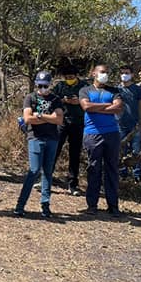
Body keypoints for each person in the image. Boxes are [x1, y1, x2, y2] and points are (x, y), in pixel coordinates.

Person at [13, 71, 64, 218]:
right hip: (35, 137)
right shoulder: (30, 97)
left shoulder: (55, 99)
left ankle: (45, 204)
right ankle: (20, 204)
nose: (43, 88)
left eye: (46, 85)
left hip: (52, 138)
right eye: (40, 85)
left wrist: (40, 116)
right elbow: (28, 118)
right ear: (36, 84)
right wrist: (50, 118)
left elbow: (59, 119)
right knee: (34, 170)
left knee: (48, 172)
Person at [79, 63, 124, 216]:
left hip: (112, 134)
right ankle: (92, 205)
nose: (105, 75)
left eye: (107, 72)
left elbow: (118, 107)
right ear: (94, 73)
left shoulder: (114, 91)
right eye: (102, 72)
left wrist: (96, 107)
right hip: (92, 134)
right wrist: (107, 106)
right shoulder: (85, 90)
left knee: (111, 169)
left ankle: (113, 206)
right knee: (93, 169)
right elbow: (86, 107)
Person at [53, 64, 88, 195]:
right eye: (67, 77)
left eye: (71, 77)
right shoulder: (60, 86)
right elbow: (52, 100)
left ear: (76, 76)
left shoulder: (84, 87)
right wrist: (64, 100)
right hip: (62, 122)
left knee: (74, 154)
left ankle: (73, 184)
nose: (69, 79)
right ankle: (45, 178)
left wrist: (79, 102)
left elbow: (89, 101)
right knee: (54, 150)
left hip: (78, 123)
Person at [117, 64, 141, 182]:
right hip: (119, 124)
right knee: (121, 150)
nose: (124, 75)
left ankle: (137, 175)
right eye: (122, 73)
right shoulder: (117, 89)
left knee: (136, 151)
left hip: (135, 124)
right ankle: (122, 174)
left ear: (132, 75)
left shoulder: (137, 89)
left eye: (127, 73)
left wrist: (140, 121)